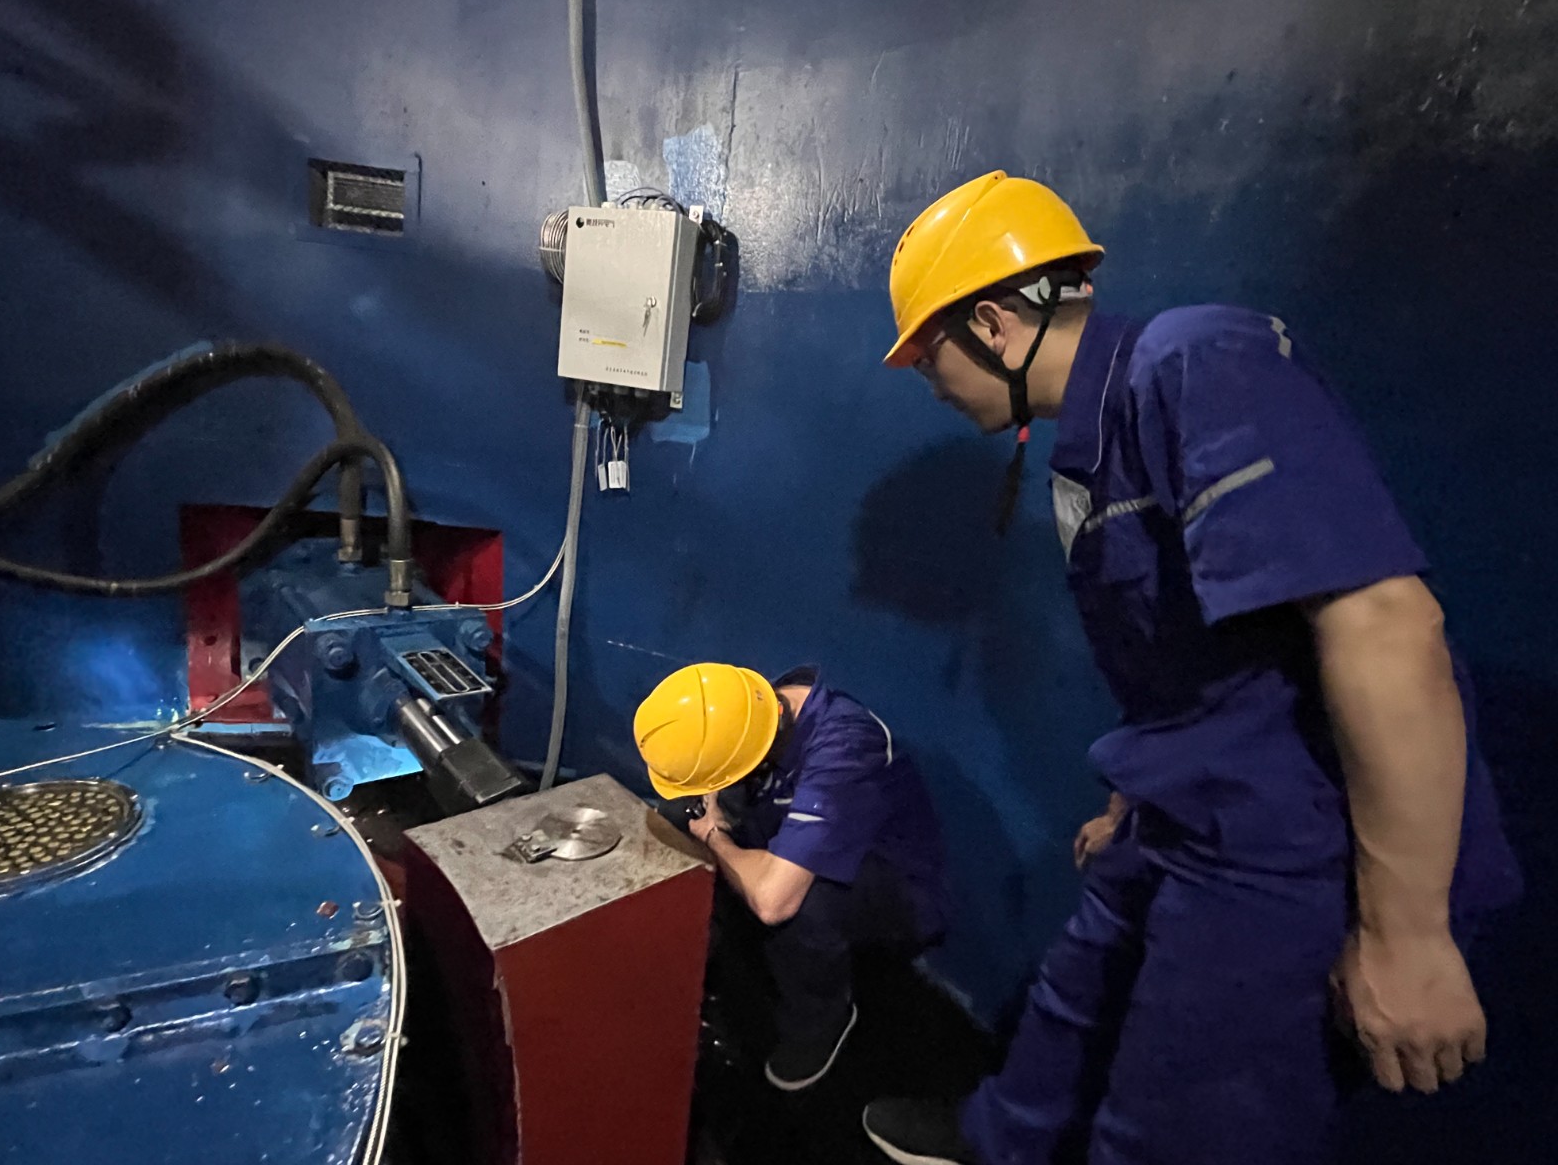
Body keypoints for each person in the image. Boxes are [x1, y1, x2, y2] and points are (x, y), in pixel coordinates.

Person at [859, 171, 1521, 1165]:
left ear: (991, 325)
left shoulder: (1195, 362)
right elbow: (1194, 667)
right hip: (1187, 810)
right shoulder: (1092, 448)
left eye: (927, 358)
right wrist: (1133, 803)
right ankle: (1000, 1144)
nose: (932, 384)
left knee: (1177, 1127)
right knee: (1072, 1006)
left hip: (1286, 848)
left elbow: (1385, 623)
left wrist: (1406, 935)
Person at [635, 662, 946, 1092]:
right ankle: (713, 957)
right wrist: (708, 806)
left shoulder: (846, 748)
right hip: (785, 834)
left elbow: (774, 903)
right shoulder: (754, 706)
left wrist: (714, 837)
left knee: (802, 907)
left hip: (890, 885)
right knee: (676, 816)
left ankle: (820, 1020)